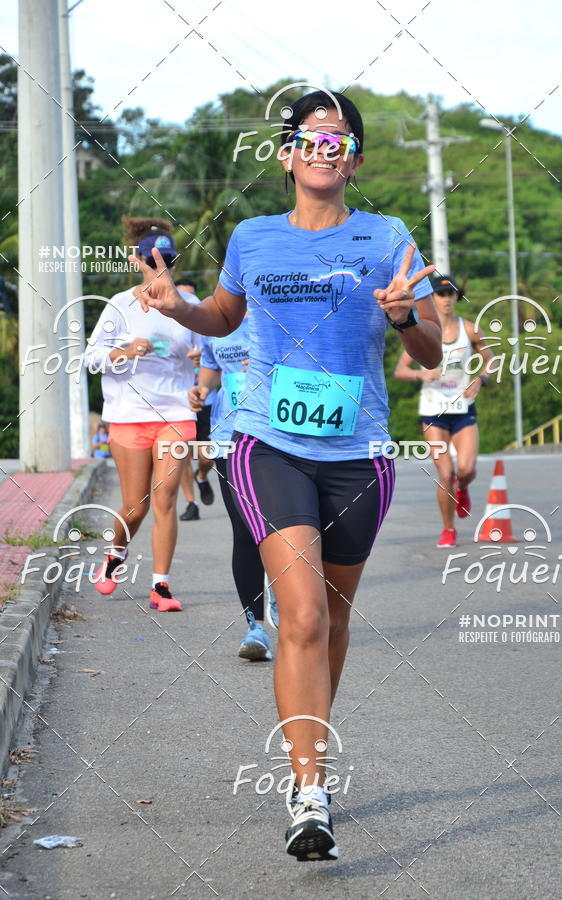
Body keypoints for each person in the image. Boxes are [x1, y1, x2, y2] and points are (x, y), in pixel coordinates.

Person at [130, 91, 441, 861]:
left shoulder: (389, 237)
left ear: (355, 160)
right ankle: (309, 791)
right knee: (298, 618)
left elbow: (431, 354)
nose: (323, 151)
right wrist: (178, 308)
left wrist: (405, 316)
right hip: (268, 445)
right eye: (310, 139)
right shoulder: (254, 237)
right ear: (286, 154)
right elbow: (224, 319)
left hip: (360, 455)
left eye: (339, 143)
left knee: (331, 623)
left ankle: (314, 755)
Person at [85, 218, 201, 612]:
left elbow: (212, 358)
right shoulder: (119, 306)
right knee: (136, 506)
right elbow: (91, 359)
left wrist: (203, 379)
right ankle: (115, 556)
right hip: (128, 415)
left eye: (166, 259)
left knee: (165, 497)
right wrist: (126, 351)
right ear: (136, 261)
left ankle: (161, 587)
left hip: (176, 414)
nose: (159, 266)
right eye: (151, 259)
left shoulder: (190, 307)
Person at [187, 316, 275, 660]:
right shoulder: (215, 322)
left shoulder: (274, 309)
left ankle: (289, 596)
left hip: (276, 432)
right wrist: (202, 391)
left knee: (281, 526)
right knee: (244, 529)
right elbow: (211, 371)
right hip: (229, 436)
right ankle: (255, 627)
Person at [395, 274, 492, 548]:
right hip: (433, 412)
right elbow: (400, 370)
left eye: (451, 295)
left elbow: (492, 361)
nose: (446, 300)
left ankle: (464, 488)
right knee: (445, 473)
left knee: (466, 469)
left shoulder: (470, 329)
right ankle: (448, 529)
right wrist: (419, 376)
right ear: (433, 298)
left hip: (462, 409)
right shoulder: (425, 331)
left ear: (456, 298)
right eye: (440, 294)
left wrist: (481, 379)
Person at [172, 278, 216, 521]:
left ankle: (202, 475)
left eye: (189, 297)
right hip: (178, 404)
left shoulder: (208, 330)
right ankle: (191, 503)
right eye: (180, 296)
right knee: (181, 453)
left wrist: (203, 362)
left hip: (207, 403)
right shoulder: (168, 332)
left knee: (207, 456)